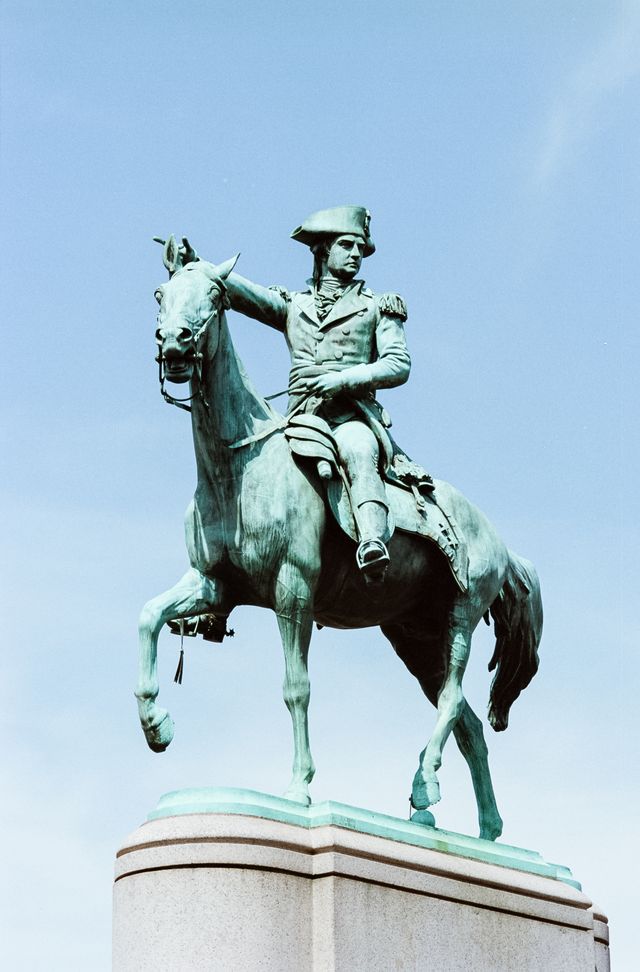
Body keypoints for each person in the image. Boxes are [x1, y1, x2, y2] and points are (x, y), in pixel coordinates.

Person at [224, 206, 411, 582]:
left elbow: (397, 364)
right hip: (298, 420)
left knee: (359, 450)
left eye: (360, 247)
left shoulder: (376, 307)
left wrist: (343, 380)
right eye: (347, 245)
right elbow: (244, 294)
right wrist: (194, 266)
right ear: (323, 250)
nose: (356, 254)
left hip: (349, 416)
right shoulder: (295, 305)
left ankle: (372, 541)